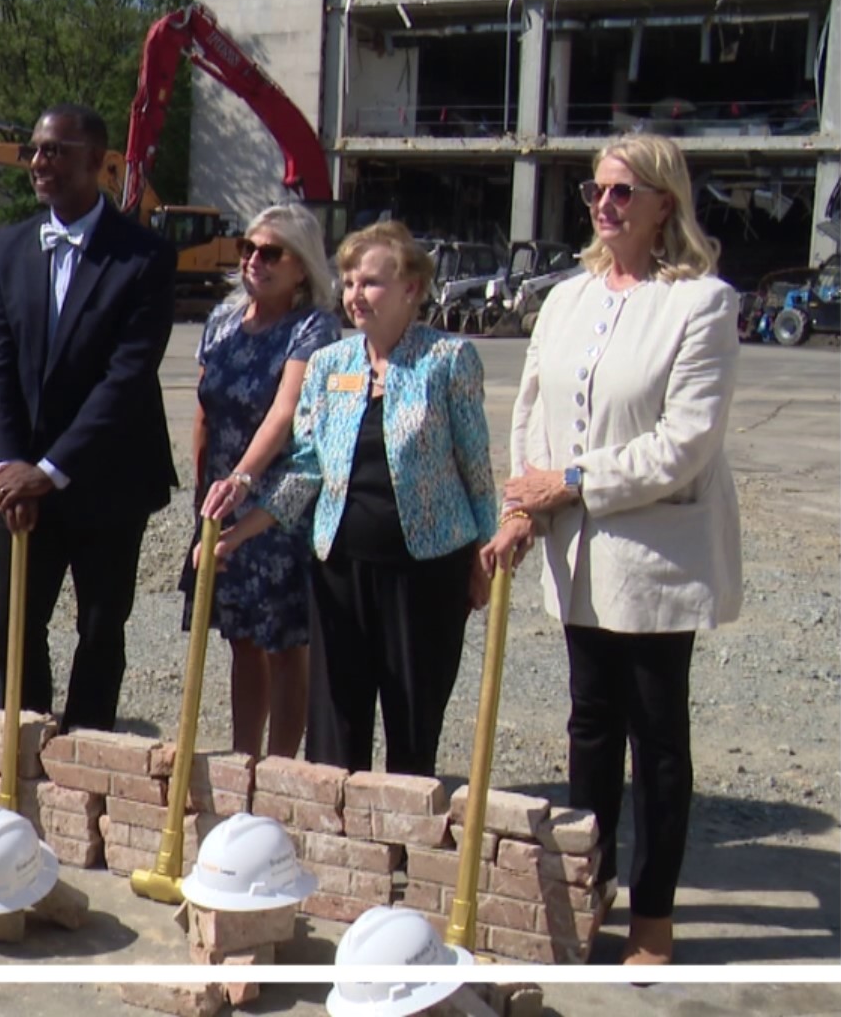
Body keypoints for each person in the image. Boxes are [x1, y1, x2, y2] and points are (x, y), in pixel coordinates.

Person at [483, 133, 742, 966]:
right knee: (589, 725)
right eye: (596, 190)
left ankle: (655, 915)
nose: (605, 204)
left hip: (652, 556)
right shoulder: (567, 297)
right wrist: (527, 501)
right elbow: (532, 410)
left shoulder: (702, 303)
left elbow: (684, 442)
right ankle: (585, 895)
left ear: (666, 201)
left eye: (624, 191)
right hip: (576, 550)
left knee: (656, 738)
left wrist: (570, 482)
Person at [208, 220, 498, 778]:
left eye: (371, 283)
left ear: (411, 288)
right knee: (336, 725)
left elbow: (475, 470)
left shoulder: (448, 361)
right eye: (347, 282)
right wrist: (239, 532)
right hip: (341, 567)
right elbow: (308, 468)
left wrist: (484, 555)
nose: (354, 295)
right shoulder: (330, 365)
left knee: (412, 724)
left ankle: (404, 845)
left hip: (426, 570)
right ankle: (335, 851)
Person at [0, 103, 177, 732]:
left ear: (98, 162)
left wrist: (54, 470)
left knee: (99, 627)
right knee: (13, 624)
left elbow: (126, 377)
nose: (40, 162)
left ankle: (89, 754)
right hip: (23, 484)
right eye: (36, 149)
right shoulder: (9, 248)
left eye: (57, 150)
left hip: (108, 481)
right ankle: (27, 747)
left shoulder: (143, 257)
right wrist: (12, 465)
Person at [186, 204, 341, 758]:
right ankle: (243, 759)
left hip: (278, 500)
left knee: (283, 643)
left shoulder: (313, 327)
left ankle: (278, 768)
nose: (255, 260)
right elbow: (205, 407)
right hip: (221, 497)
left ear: (302, 266)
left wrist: (243, 478)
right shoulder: (223, 319)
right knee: (241, 639)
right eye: (248, 248)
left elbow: (286, 410)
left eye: (271, 252)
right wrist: (203, 487)